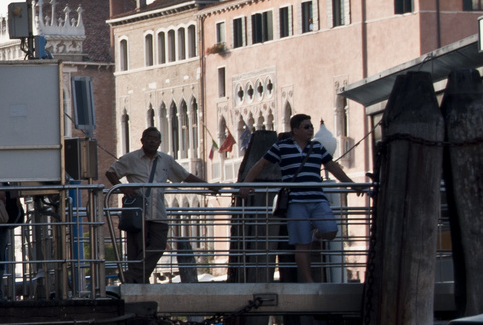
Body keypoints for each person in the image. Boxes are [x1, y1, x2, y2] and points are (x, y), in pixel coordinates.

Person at [238, 113, 359, 283]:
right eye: (306, 127)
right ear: (295, 130)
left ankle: (317, 234)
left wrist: (352, 184)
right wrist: (246, 183)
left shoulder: (317, 147)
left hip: (317, 199)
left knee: (331, 231)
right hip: (295, 202)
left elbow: (332, 167)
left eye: (311, 126)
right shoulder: (282, 147)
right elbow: (261, 164)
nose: (311, 130)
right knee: (301, 245)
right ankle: (309, 283)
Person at [105, 126, 211, 284]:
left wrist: (209, 186)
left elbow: (185, 176)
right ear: (142, 140)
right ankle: (139, 281)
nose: (152, 141)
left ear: (160, 142)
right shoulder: (131, 158)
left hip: (158, 211)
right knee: (137, 249)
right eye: (149, 137)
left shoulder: (166, 160)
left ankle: (132, 275)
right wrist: (123, 188)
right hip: (137, 212)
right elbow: (111, 172)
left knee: (159, 245)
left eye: (155, 139)